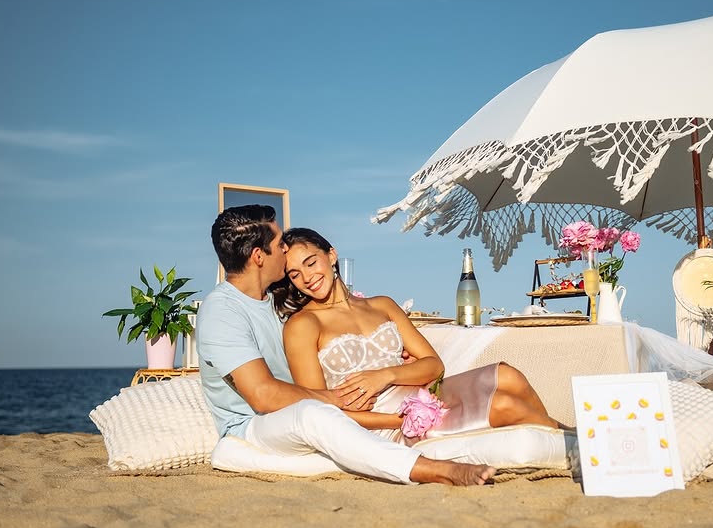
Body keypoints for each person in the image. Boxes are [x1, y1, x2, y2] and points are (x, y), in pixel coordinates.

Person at [196, 205, 495, 486]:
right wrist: (334, 399)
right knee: (313, 414)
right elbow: (263, 395)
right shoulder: (222, 311)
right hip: (253, 427)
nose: (285, 249)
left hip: (301, 414)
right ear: (259, 256)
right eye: (279, 244)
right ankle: (436, 470)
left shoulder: (275, 304)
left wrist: (387, 363)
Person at [275, 227, 561, 445]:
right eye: (295, 274)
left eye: (311, 263)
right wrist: (398, 420)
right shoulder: (303, 324)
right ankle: (576, 442)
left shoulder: (382, 305)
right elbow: (316, 408)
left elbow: (434, 366)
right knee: (504, 405)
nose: (307, 277)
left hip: (424, 396)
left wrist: (384, 375)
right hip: (384, 423)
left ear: (331, 255)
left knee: (508, 375)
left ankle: (569, 438)